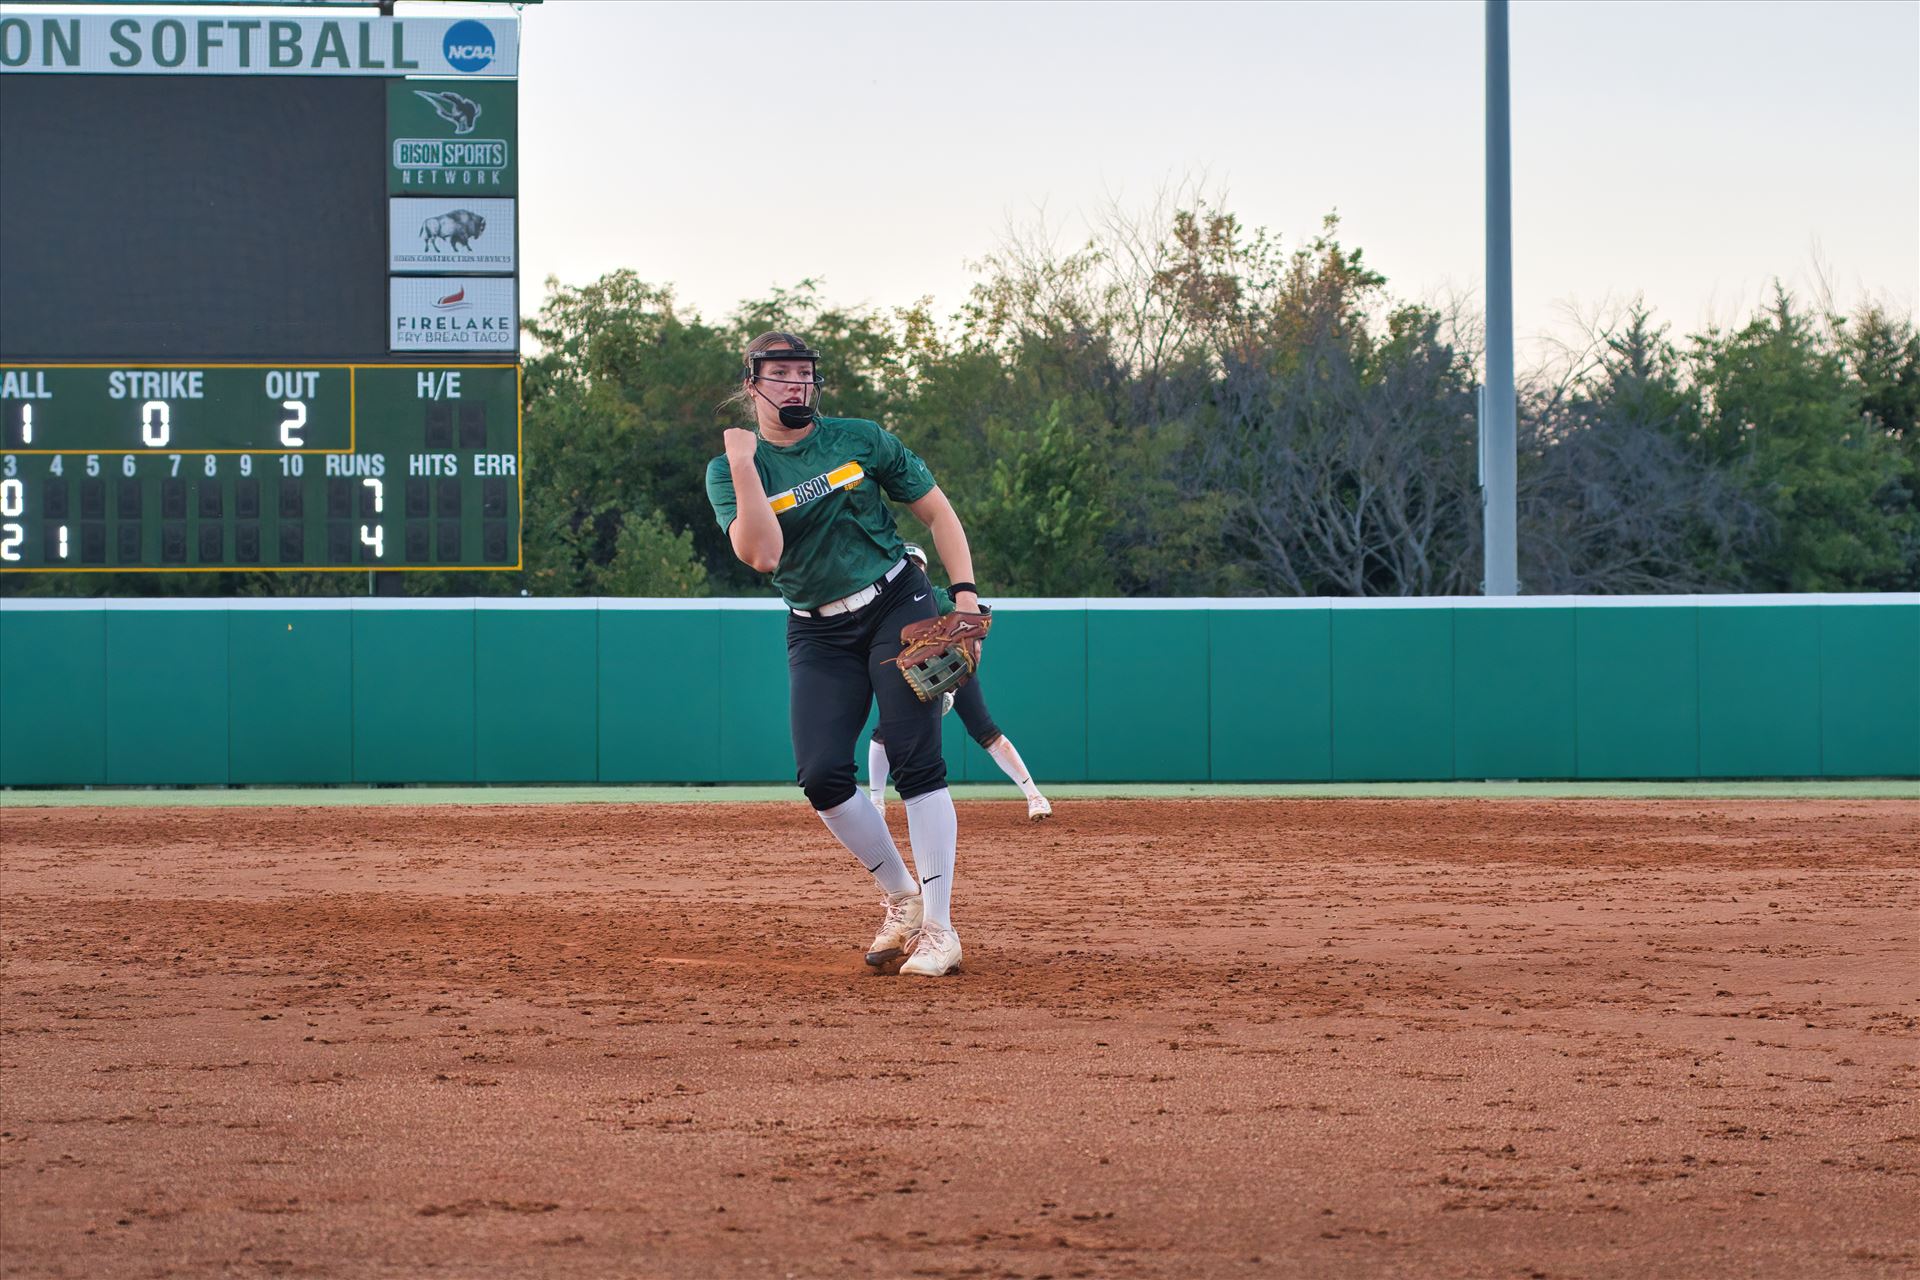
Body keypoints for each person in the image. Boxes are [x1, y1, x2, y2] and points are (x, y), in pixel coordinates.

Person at [705, 332, 984, 977]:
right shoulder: (730, 470)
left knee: (917, 760)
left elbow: (939, 514)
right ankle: (901, 896)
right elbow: (763, 555)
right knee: (823, 774)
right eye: (780, 374)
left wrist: (964, 596)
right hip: (817, 629)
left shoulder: (859, 438)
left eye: (804, 374)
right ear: (752, 385)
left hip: (897, 601)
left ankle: (941, 930)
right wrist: (746, 467)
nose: (797, 385)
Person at [868, 544, 1052, 822]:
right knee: (884, 732)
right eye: (908, 563)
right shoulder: (885, 605)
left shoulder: (938, 597)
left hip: (954, 672)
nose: (914, 567)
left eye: (918, 564)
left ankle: (1035, 796)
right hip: (910, 679)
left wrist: (959, 672)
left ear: (924, 570)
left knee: (986, 731)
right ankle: (877, 801)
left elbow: (974, 622)